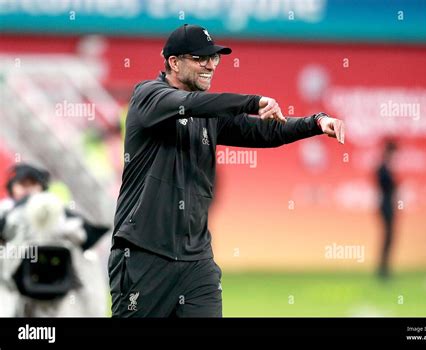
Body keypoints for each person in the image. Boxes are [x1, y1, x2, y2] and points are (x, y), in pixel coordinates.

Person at [108, 24, 345, 317]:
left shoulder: (207, 114)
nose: (211, 65)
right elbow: (189, 104)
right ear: (174, 62)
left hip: (196, 261)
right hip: (144, 255)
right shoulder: (148, 96)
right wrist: (253, 102)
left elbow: (264, 133)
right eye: (201, 58)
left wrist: (316, 122)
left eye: (215, 58)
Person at [0, 163, 109, 316]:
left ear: (42, 187)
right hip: (11, 287)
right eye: (22, 184)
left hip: (55, 289)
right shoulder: (5, 210)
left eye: (32, 184)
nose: (27, 189)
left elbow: (87, 236)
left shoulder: (57, 212)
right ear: (12, 187)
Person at [376, 141, 398, 279]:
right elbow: (385, 185)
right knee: (387, 238)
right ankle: (383, 270)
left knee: (389, 238)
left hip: (388, 205)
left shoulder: (387, 167)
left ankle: (385, 268)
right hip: (386, 206)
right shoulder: (383, 168)